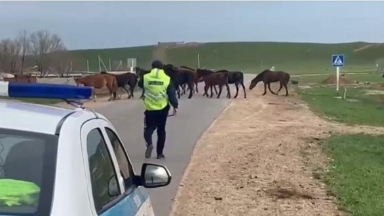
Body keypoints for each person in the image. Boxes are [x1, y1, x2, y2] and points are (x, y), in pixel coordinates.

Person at [138, 60, 179, 159]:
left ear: (152, 67)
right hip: (163, 109)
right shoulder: (167, 79)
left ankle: (149, 144)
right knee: (161, 131)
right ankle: (159, 154)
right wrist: (175, 106)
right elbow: (172, 95)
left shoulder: (146, 77)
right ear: (162, 68)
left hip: (150, 109)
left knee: (148, 128)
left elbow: (140, 85)